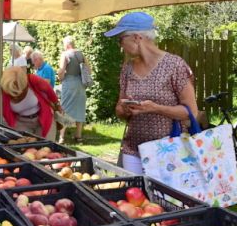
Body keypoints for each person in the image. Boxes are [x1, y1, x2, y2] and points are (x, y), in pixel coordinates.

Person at [106, 12, 198, 174]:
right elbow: (120, 109)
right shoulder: (127, 68)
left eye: (120, 40)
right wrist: (124, 109)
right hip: (133, 151)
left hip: (168, 152)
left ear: (136, 38)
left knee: (162, 200)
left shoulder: (174, 65)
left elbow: (191, 112)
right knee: (134, 197)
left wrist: (156, 108)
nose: (120, 45)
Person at [0, 66, 62, 141]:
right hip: (21, 123)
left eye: (19, 92)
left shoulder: (32, 79)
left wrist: (57, 104)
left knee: (46, 147)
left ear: (25, 84)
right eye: (11, 93)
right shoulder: (1, 94)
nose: (16, 96)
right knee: (22, 149)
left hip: (43, 118)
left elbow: (49, 90)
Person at [57, 36, 89, 144]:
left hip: (69, 83)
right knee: (80, 108)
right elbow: (89, 70)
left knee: (65, 108)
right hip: (80, 84)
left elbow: (61, 70)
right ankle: (78, 136)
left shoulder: (65, 54)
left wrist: (59, 77)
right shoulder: (81, 54)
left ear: (67, 44)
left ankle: (61, 137)